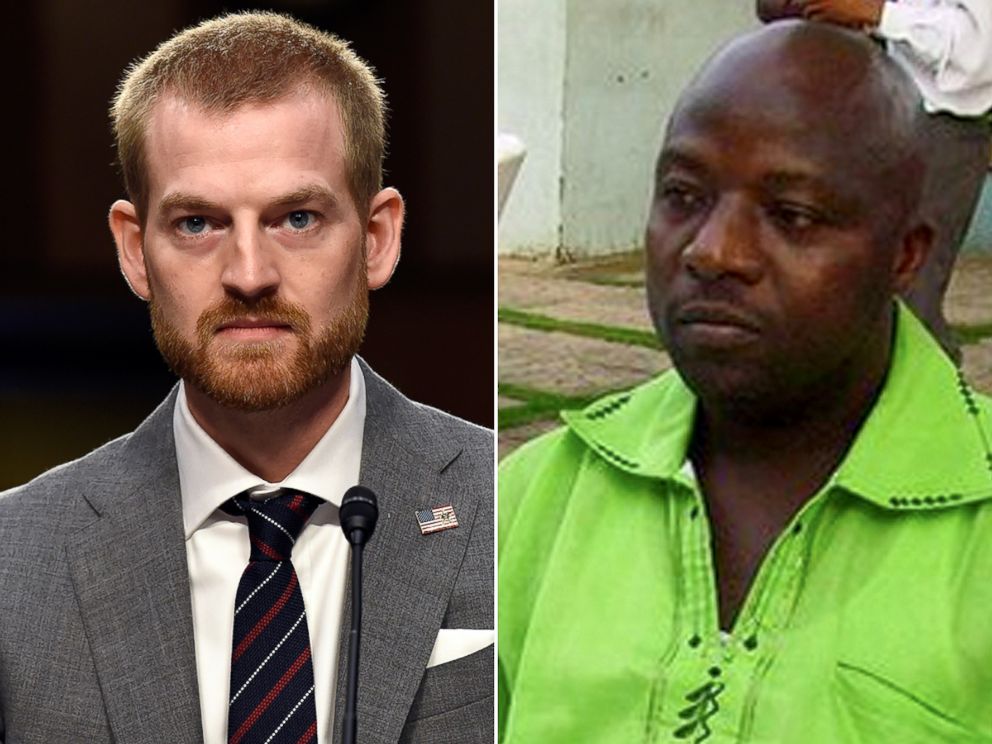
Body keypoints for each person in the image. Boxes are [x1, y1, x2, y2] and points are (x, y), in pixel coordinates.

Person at [0, 12, 492, 744]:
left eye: (297, 218)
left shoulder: (504, 502)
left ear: (378, 239)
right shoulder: (14, 556)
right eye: (197, 224)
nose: (250, 276)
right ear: (135, 252)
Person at [499, 21, 992, 743]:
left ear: (905, 254)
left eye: (791, 215)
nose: (713, 251)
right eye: (683, 194)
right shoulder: (537, 498)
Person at [757, 0, 992, 360]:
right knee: (830, 288)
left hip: (937, 126)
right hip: (852, 109)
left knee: (904, 304)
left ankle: (931, 407)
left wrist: (879, 14)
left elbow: (978, 56)